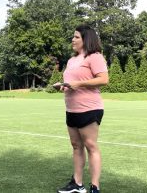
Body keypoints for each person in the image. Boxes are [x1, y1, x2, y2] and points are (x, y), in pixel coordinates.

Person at [56, 25, 109, 193]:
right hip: (72, 108)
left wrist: (78, 84)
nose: (73, 39)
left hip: (89, 108)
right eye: (73, 37)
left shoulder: (94, 56)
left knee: (90, 145)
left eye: (76, 37)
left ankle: (95, 187)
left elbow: (104, 79)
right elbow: (73, 82)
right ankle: (77, 184)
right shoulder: (72, 60)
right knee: (76, 146)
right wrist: (64, 86)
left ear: (86, 39)